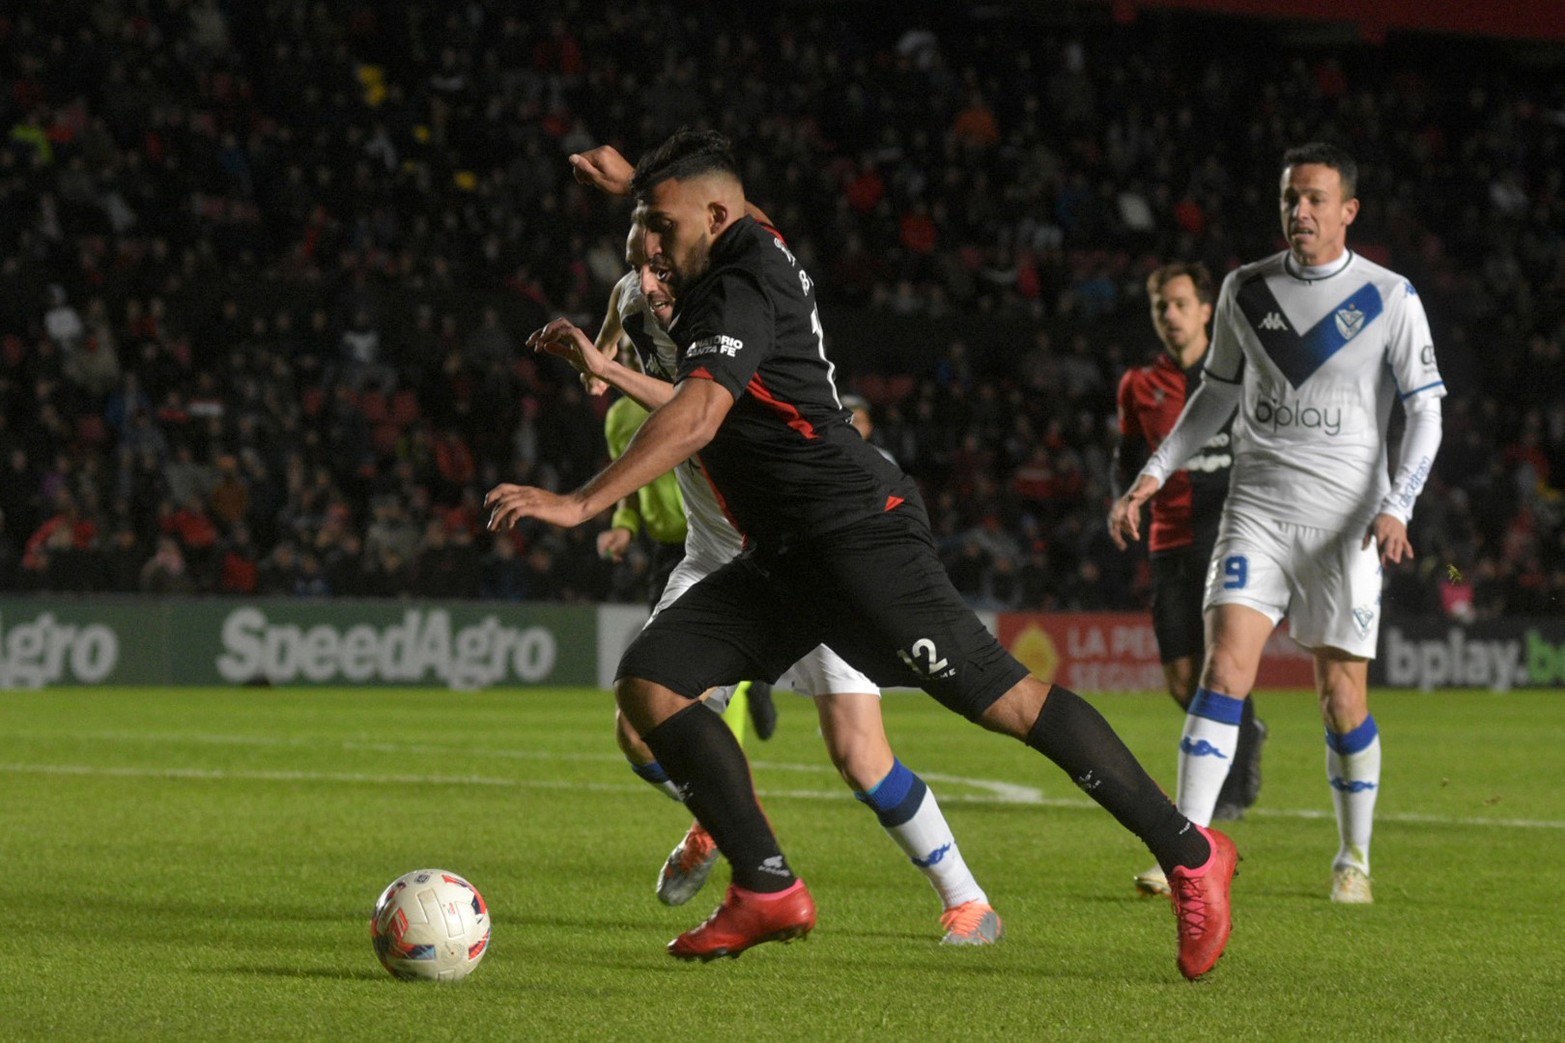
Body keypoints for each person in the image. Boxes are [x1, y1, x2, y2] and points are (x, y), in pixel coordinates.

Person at [487, 129, 1234, 979]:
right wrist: (642, 192)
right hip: (784, 551)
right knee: (653, 679)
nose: (648, 251)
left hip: (856, 533)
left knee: (1005, 703)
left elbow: (695, 418)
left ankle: (1190, 852)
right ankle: (766, 884)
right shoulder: (745, 238)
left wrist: (581, 502)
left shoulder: (737, 286)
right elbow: (727, 211)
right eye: (643, 230)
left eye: (661, 229)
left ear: (715, 218)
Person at [566, 217, 1003, 945]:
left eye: (660, 268)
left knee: (859, 753)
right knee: (637, 725)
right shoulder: (637, 294)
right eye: (638, 266)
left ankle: (967, 898)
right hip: (715, 556)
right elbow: (620, 304)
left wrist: (608, 370)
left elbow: (700, 409)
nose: (649, 282)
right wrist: (603, 341)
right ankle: (728, 826)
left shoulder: (740, 310)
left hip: (807, 552)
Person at [1110, 143, 1445, 905]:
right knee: (1221, 669)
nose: (1299, 212)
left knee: (1340, 697)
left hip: (1347, 526)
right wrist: (1155, 468)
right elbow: (1216, 393)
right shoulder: (1243, 288)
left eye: (1316, 200)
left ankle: (1352, 856)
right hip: (1255, 513)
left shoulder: (1388, 297)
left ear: (1347, 211)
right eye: (1291, 198)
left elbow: (1425, 407)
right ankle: (1186, 850)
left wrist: (1400, 503)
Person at [1109, 261, 1266, 897]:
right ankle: (1243, 728)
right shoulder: (1138, 385)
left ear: (1207, 310)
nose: (1169, 316)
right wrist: (1123, 498)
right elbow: (1127, 456)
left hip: (1228, 532)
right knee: (1180, 677)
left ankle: (1215, 796)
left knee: (1218, 667)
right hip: (1168, 541)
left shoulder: (1239, 371)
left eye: (1179, 304)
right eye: (1159, 307)